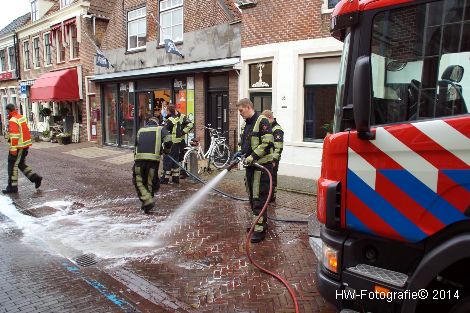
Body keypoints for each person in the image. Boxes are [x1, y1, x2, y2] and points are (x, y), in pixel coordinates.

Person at [235, 98, 274, 243]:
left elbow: (267, 142)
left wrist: (252, 157)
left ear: (248, 107)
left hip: (261, 167)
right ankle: (257, 223)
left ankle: (260, 231)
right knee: (252, 196)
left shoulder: (262, 121)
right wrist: (241, 152)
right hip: (251, 167)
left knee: (259, 198)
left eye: (241, 110)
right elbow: (247, 142)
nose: (240, 114)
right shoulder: (247, 124)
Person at [133, 117, 172, 213]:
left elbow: (135, 144)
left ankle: (147, 202)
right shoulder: (160, 129)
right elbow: (168, 140)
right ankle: (148, 202)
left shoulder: (140, 130)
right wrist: (166, 151)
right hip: (153, 161)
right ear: (157, 123)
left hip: (139, 160)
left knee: (139, 181)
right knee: (150, 182)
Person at [2, 104, 42, 194]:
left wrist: (13, 149)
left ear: (8, 110)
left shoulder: (13, 120)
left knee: (12, 167)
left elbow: (15, 136)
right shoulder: (20, 117)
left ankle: (12, 187)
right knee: (20, 164)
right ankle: (36, 178)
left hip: (18, 147)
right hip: (24, 145)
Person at [261, 110, 284, 202]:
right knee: (266, 178)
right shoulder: (269, 127)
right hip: (267, 159)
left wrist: (274, 160)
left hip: (273, 160)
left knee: (272, 179)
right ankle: (267, 196)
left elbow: (278, 147)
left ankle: (271, 198)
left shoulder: (277, 129)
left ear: (269, 118)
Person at [161, 105, 183, 184]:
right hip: (177, 142)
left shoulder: (170, 120)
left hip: (171, 143)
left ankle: (164, 179)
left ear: (169, 111)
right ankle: (175, 179)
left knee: (167, 160)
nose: (166, 112)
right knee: (175, 161)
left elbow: (165, 131)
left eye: (166, 110)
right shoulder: (177, 118)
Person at [177, 109, 194, 179]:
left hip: (181, 140)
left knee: (182, 156)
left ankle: (183, 172)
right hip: (172, 141)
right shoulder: (169, 117)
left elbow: (190, 124)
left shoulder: (182, 116)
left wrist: (183, 132)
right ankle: (174, 173)